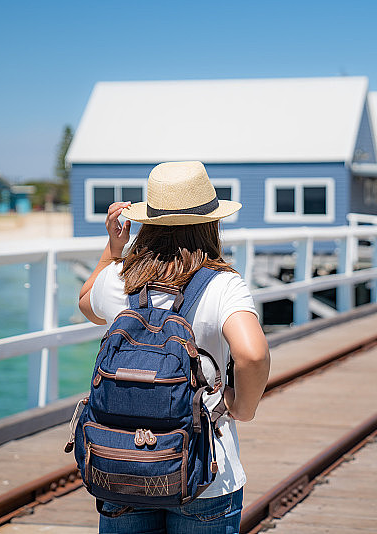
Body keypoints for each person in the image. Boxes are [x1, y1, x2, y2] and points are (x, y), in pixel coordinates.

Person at [78, 161, 271, 533]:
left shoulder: (119, 279)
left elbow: (87, 304)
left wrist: (113, 249)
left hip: (120, 466)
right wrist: (240, 407)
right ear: (211, 223)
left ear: (148, 223)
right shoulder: (222, 285)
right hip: (205, 471)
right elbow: (253, 354)